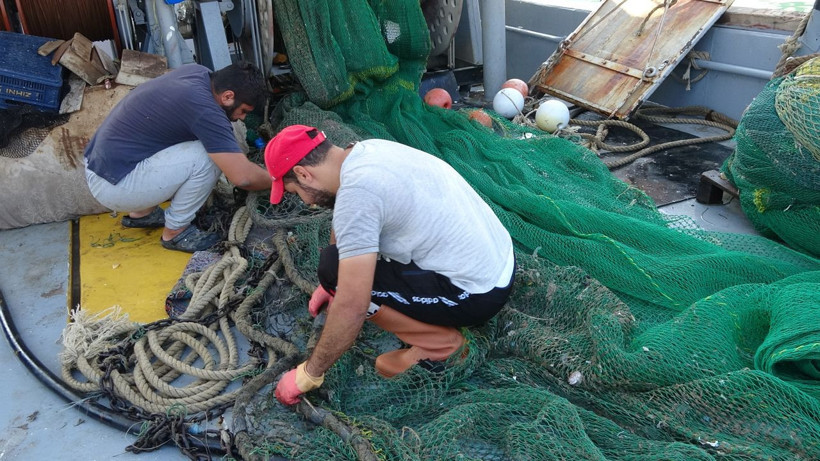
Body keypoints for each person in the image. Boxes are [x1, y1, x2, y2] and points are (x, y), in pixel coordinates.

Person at [264, 125, 515, 405]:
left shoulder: (357, 195)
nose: (306, 201)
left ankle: (441, 345)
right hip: (500, 260)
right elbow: (346, 225)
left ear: (303, 173)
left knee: (344, 281)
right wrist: (330, 283)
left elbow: (352, 306)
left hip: (477, 292)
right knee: (333, 267)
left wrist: (308, 375)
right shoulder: (366, 151)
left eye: (296, 191)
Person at [83, 62, 272, 252]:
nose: (243, 118)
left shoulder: (198, 73)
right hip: (114, 185)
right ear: (228, 96)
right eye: (244, 111)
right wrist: (278, 180)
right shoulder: (205, 110)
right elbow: (242, 177)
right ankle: (175, 232)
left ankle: (142, 213)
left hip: (102, 168)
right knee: (207, 157)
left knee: (183, 139)